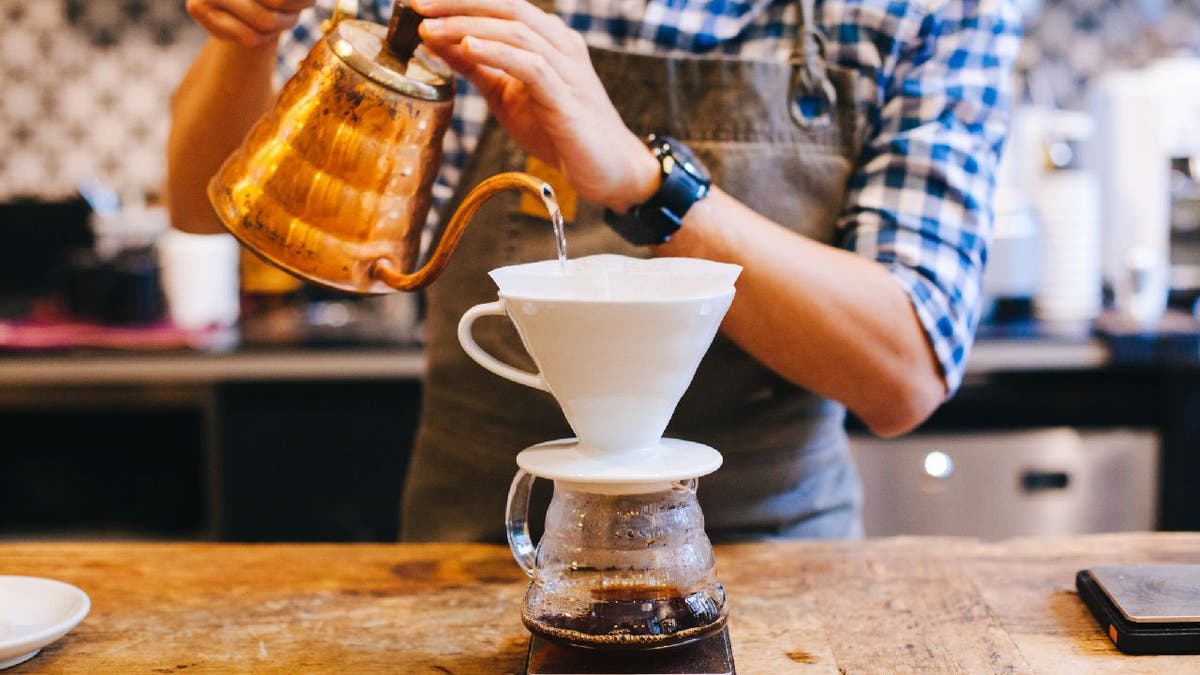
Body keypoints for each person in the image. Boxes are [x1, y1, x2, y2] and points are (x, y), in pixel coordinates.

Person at [169, 0, 1021, 541]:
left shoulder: (922, 11)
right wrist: (248, 41)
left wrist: (645, 184)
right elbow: (205, 207)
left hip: (771, 570)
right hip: (473, 559)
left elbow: (903, 370)